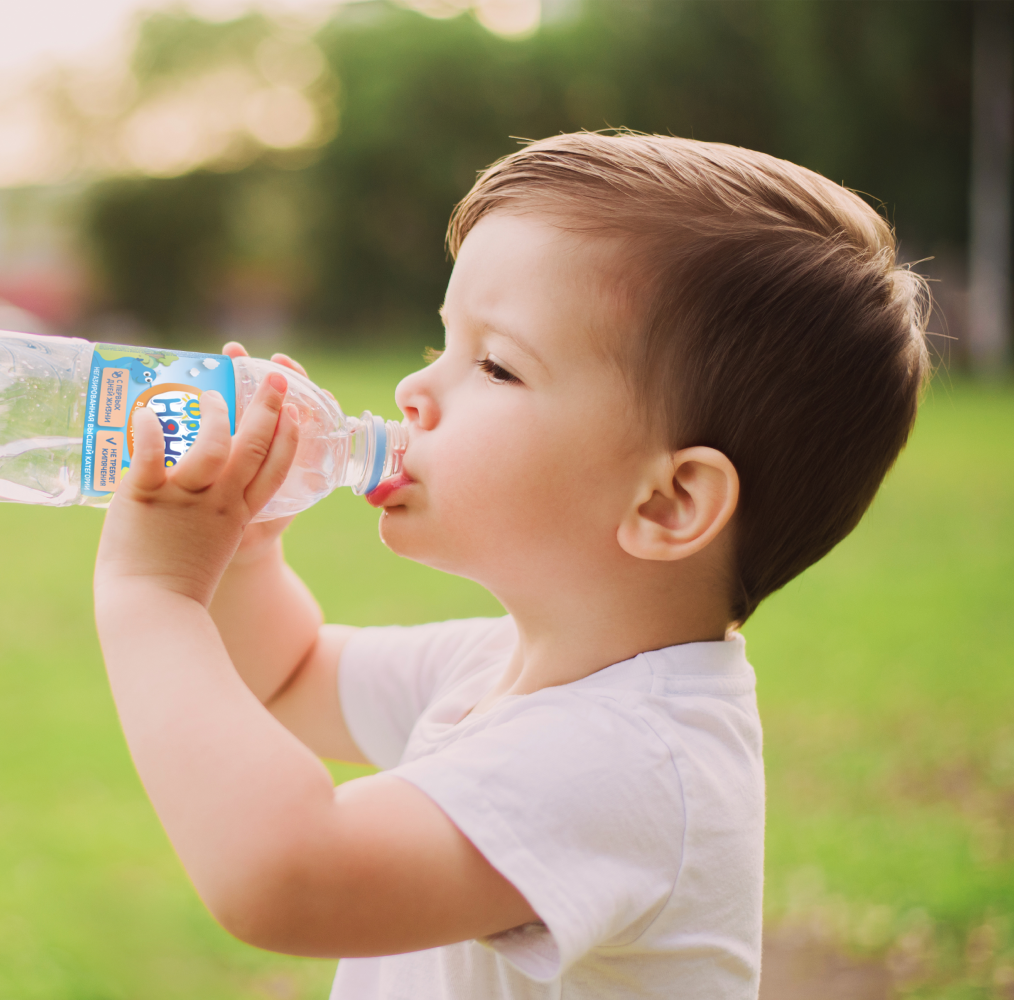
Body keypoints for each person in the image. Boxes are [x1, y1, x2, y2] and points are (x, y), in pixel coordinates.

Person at [91, 132, 930, 999]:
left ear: (668, 503)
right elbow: (288, 675)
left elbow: (288, 877)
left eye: (494, 365)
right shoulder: (498, 666)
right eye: (440, 345)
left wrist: (152, 595)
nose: (416, 394)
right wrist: (246, 551)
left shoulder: (633, 761)